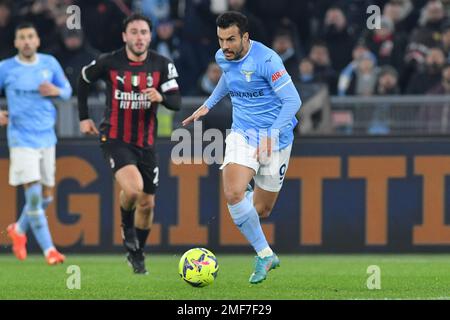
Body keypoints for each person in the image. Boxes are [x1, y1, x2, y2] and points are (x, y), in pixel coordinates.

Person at [182, 11, 301, 284]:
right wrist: (208, 104)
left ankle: (250, 205)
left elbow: (293, 101)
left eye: (231, 39)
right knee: (234, 193)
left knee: (260, 210)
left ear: (245, 37)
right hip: (242, 134)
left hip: (277, 138)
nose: (225, 46)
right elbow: (228, 78)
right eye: (221, 39)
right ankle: (264, 254)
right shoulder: (223, 56)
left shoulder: (267, 60)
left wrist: (272, 134)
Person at [77, 13, 181, 275]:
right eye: (133, 32)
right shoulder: (109, 61)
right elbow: (83, 79)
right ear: (125, 36)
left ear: (150, 35)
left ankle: (137, 253)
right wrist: (83, 118)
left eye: (144, 32)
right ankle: (126, 229)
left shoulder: (162, 64)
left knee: (147, 205)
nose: (139, 37)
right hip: (114, 137)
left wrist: (160, 96)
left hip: (145, 143)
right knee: (133, 191)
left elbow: (176, 101)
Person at [0, 22, 72, 264]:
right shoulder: (6, 68)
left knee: (47, 196)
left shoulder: (49, 63)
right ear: (16, 43)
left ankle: (19, 230)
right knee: (33, 196)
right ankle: (49, 250)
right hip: (21, 138)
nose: (27, 41)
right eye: (22, 37)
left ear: (37, 40)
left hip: (46, 137)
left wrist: (55, 90)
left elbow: (67, 91)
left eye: (31, 36)